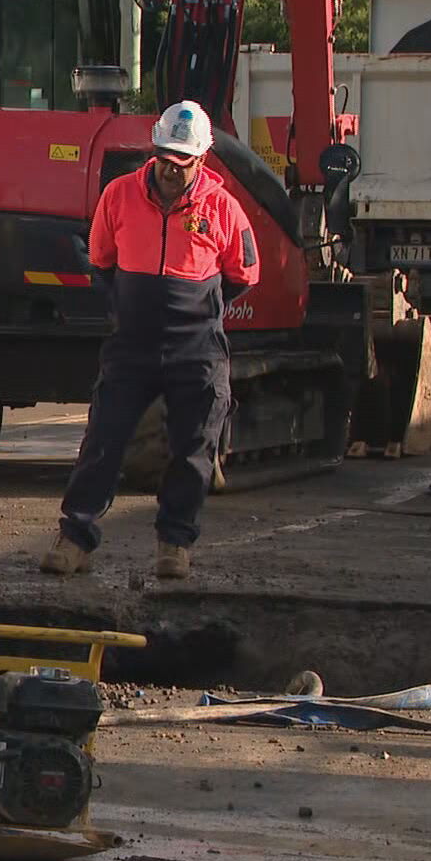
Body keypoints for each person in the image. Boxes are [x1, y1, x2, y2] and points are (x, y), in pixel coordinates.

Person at [40, 100, 259, 580]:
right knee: (103, 440)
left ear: (201, 160)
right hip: (132, 344)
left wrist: (198, 307)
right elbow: (101, 260)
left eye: (181, 163)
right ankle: (75, 537)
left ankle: (174, 544)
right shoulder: (119, 196)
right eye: (164, 158)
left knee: (193, 448)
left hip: (195, 347)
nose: (170, 170)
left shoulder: (223, 207)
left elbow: (243, 272)